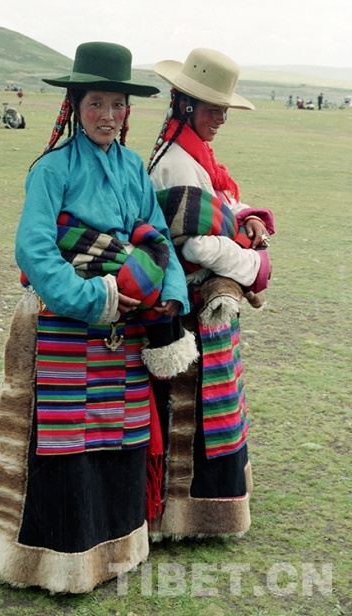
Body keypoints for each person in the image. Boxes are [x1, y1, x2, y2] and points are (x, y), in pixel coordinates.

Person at [0, 42, 195, 594]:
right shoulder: (51, 169)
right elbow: (34, 249)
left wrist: (169, 298)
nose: (108, 115)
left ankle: (117, 550)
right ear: (76, 105)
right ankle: (61, 563)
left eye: (117, 104)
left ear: (128, 110)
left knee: (121, 440)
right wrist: (92, 298)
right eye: (96, 102)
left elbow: (157, 239)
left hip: (128, 330)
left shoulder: (132, 167)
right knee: (67, 445)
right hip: (66, 328)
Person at [146, 47, 275, 539]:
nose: (221, 118)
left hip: (203, 304)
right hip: (192, 307)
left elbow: (219, 206)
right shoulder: (179, 164)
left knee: (206, 407)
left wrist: (246, 218)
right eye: (213, 108)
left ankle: (203, 508)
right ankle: (190, 515)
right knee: (194, 411)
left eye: (224, 109)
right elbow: (197, 244)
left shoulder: (193, 154)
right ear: (185, 104)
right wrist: (255, 266)